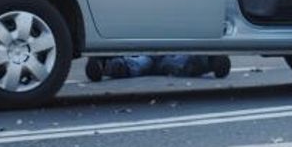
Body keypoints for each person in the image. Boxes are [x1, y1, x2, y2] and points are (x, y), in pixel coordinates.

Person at [85, 54, 231, 82]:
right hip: (149, 50)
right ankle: (101, 65)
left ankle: (213, 61)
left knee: (178, 64)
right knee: (137, 64)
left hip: (163, 51)